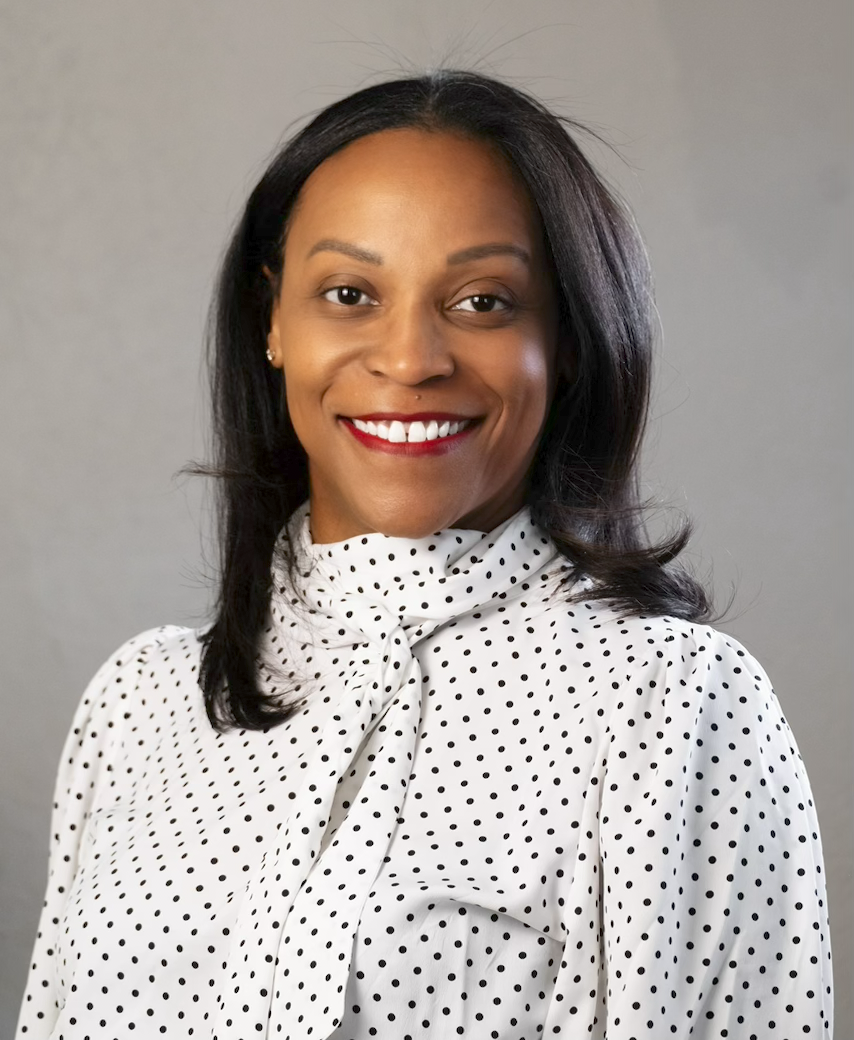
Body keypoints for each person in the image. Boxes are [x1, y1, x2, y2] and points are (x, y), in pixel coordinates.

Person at [16, 72, 833, 1038]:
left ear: (565, 339)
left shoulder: (674, 702)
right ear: (273, 321)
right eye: (350, 293)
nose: (410, 360)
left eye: (484, 301)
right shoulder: (139, 707)